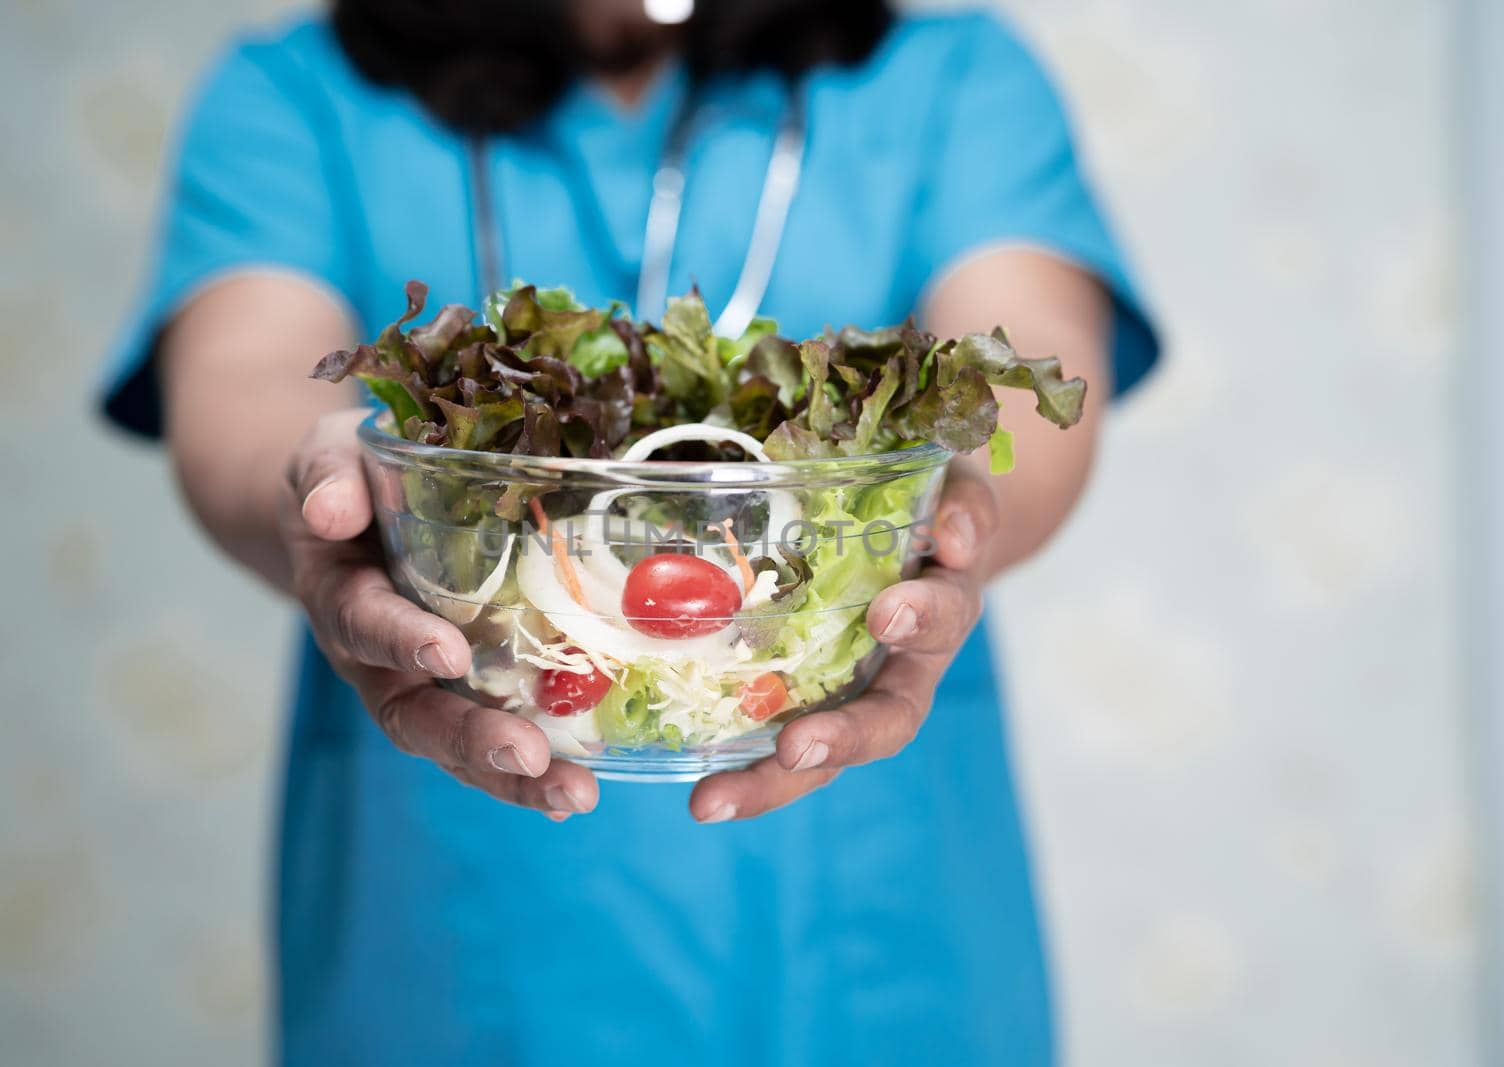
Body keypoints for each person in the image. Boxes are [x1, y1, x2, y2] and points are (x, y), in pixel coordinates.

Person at [101, 0, 1157, 1062]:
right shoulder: (295, 90)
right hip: (453, 923)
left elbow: (1027, 365)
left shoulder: (952, 76)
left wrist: (957, 498)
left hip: (874, 933)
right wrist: (325, 483)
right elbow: (241, 389)